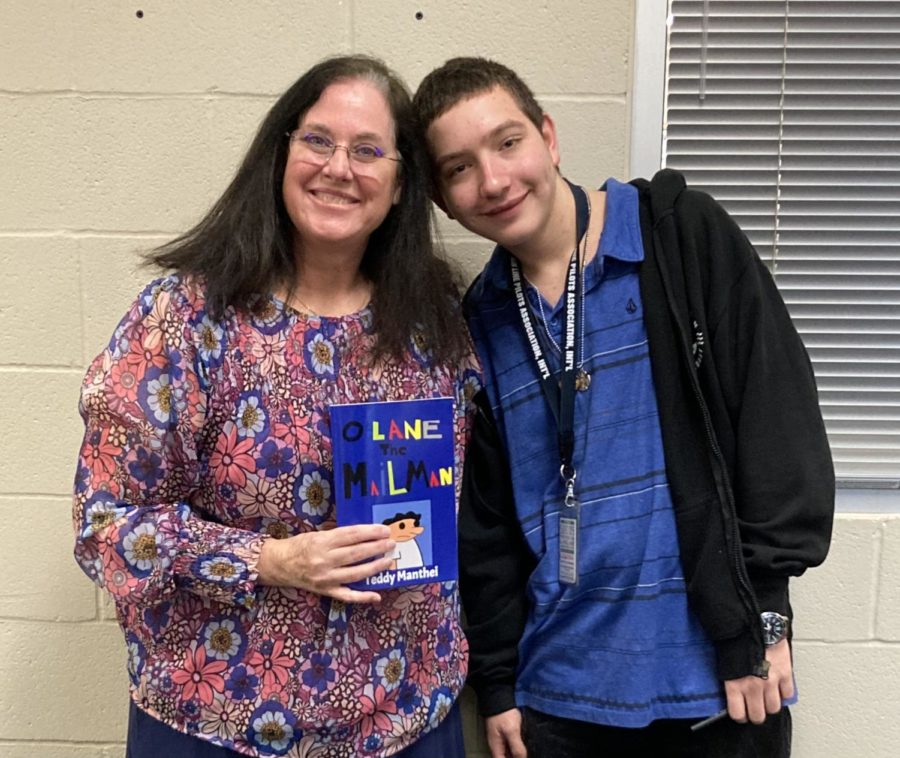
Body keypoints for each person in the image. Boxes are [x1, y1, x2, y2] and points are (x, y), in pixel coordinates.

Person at [413, 58, 835, 757]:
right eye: (459, 168)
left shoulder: (679, 240)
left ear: (549, 137)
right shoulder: (478, 323)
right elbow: (483, 527)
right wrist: (498, 683)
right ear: (441, 198)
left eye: (508, 142)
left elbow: (777, 418)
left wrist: (764, 611)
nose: (493, 180)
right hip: (557, 704)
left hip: (715, 686)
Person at [73, 55, 481, 758]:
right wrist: (272, 560)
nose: (339, 168)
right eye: (318, 140)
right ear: (280, 153)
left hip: (406, 718)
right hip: (217, 726)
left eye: (368, 150)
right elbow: (105, 528)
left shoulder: (434, 325)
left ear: (399, 185)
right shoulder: (185, 319)